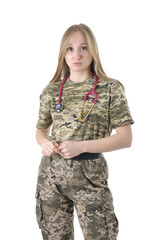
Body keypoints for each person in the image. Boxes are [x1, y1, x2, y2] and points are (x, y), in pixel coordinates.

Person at [35, 23, 134, 240]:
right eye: (70, 49)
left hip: (90, 178)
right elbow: (40, 130)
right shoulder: (51, 91)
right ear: (63, 53)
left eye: (84, 48)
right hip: (51, 177)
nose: (76, 54)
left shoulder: (109, 89)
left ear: (93, 51)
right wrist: (45, 143)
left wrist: (82, 146)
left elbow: (126, 138)